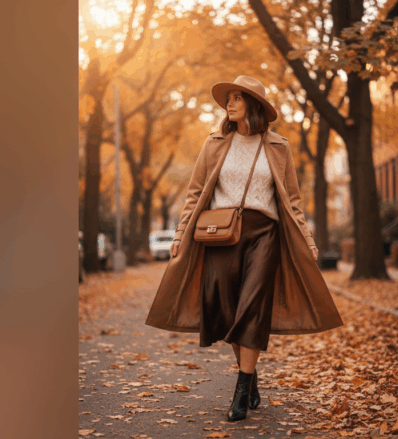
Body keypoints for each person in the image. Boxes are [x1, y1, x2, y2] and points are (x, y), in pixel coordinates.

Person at [145, 75, 343, 422]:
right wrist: (179, 234)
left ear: (254, 106)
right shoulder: (215, 142)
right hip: (219, 235)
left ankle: (240, 389)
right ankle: (252, 377)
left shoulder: (279, 146)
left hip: (264, 233)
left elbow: (292, 200)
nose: (229, 103)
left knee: (252, 307)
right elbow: (194, 194)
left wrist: (308, 239)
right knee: (224, 308)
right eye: (229, 98)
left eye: (237, 98)